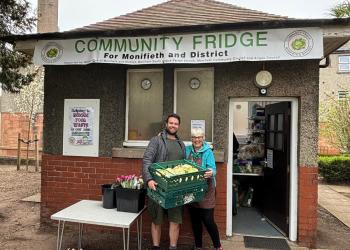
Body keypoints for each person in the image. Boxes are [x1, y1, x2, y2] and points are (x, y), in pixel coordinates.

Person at [142, 113, 186, 250]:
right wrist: (149, 179)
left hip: (176, 189)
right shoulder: (156, 140)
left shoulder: (181, 143)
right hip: (158, 187)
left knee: (175, 221)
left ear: (178, 126)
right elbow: (146, 160)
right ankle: (156, 247)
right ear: (166, 124)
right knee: (157, 220)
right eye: (171, 123)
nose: (173, 125)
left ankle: (173, 247)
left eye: (176, 124)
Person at [186, 128, 223, 250]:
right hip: (192, 189)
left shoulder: (208, 152)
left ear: (203, 138)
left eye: (199, 137)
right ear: (191, 139)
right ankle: (198, 246)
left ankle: (218, 246)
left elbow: (213, 169)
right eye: (194, 137)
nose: (197, 139)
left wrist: (210, 172)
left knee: (208, 220)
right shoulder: (187, 150)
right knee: (195, 220)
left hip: (206, 190)